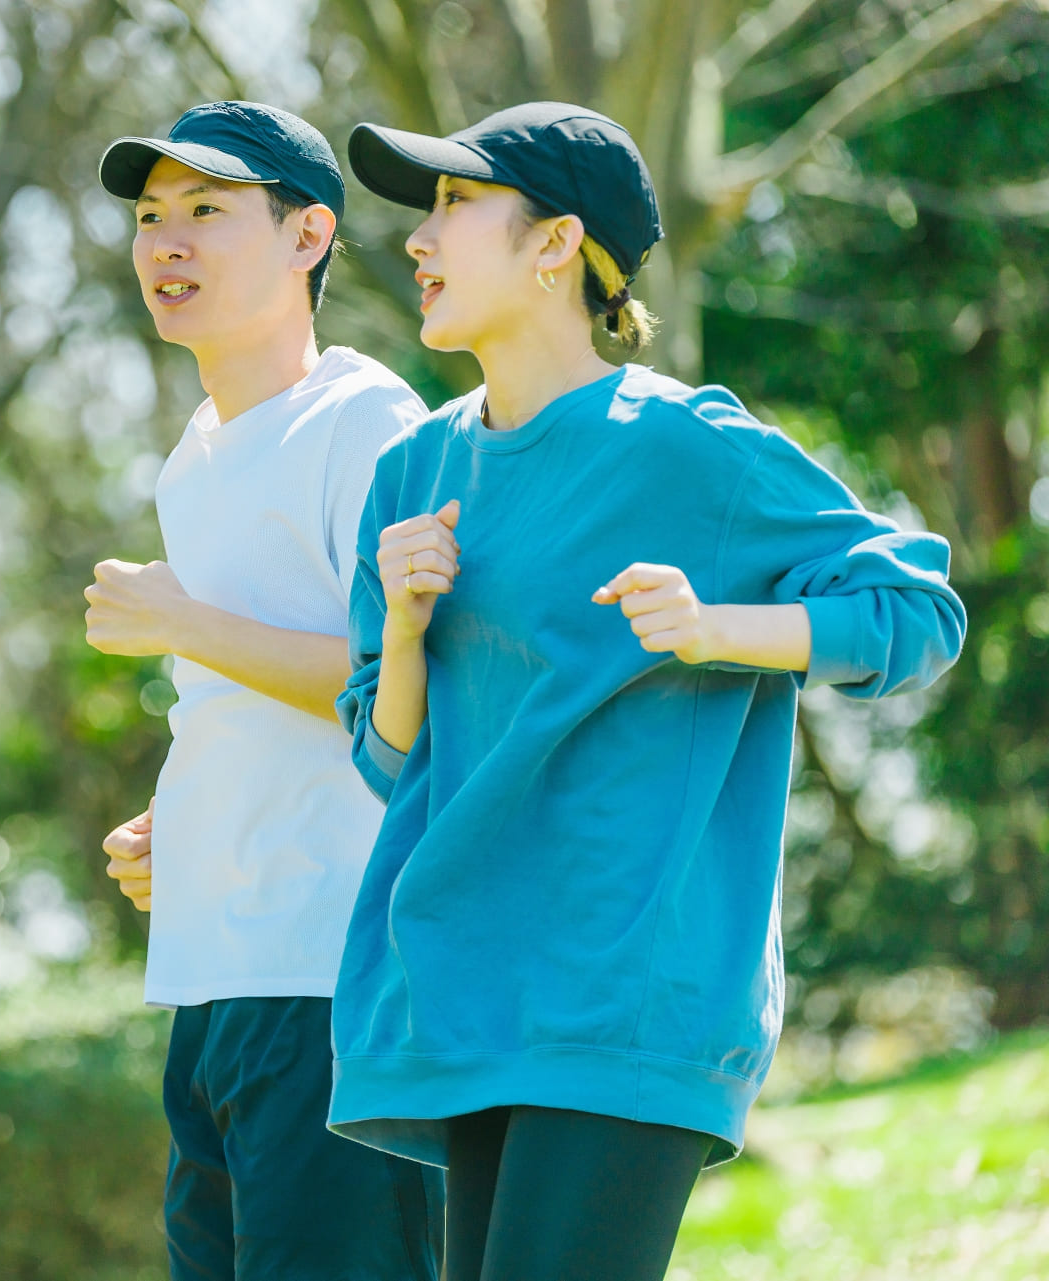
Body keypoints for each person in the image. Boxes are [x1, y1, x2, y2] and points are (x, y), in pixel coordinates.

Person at [323, 101, 968, 1281]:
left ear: (555, 245)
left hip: (626, 992)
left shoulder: (681, 445)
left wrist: (717, 626)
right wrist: (405, 627)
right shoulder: (410, 474)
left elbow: (919, 612)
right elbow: (386, 754)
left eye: (456, 204)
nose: (419, 237)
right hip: (463, 988)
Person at [85, 101, 443, 1280]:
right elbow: (239, 693)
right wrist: (177, 824)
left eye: (204, 212)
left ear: (308, 239)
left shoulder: (370, 421)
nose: (164, 243)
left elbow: (404, 683)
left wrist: (184, 620)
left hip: (335, 980)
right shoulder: (189, 456)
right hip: (210, 979)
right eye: (149, 216)